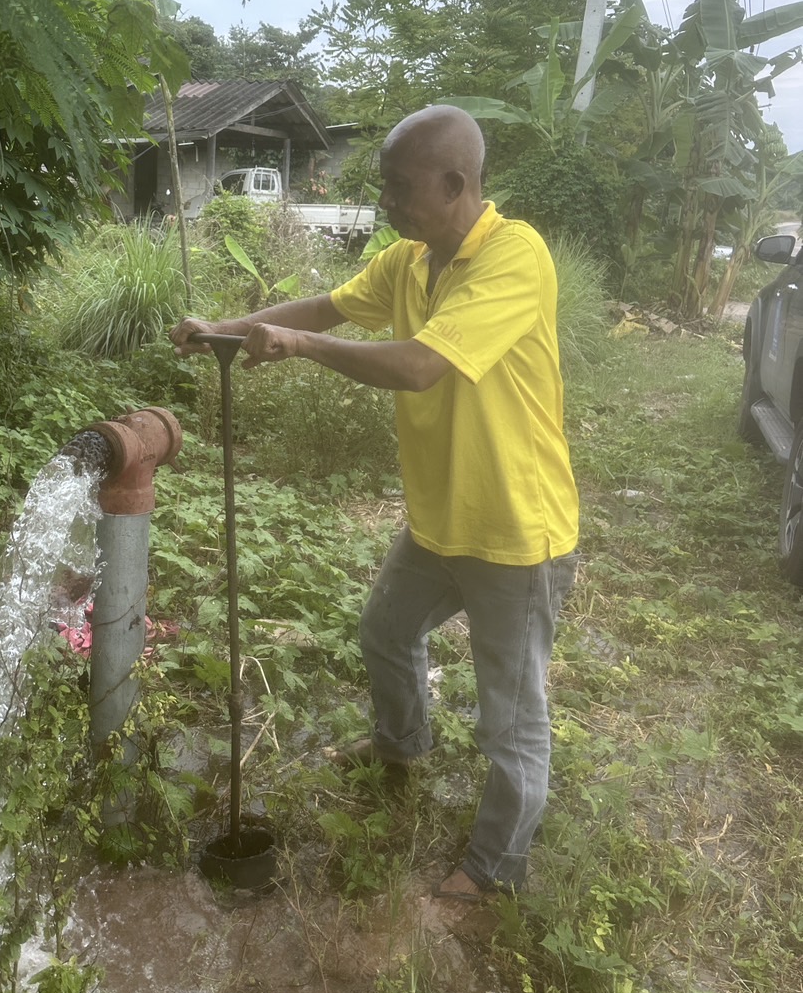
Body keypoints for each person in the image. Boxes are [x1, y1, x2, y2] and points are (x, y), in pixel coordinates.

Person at [171, 104, 578, 916]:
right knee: (386, 631)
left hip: (513, 530)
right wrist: (227, 328)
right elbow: (324, 308)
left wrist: (304, 352)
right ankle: (402, 746)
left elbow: (423, 364)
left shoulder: (515, 257)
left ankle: (496, 865)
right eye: (384, 186)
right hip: (440, 520)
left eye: (400, 186)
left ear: (457, 184)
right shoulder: (410, 259)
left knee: (511, 716)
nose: (385, 201)